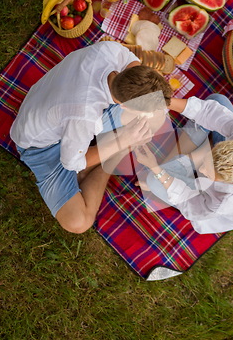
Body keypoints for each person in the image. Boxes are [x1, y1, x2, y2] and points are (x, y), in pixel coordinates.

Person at [10, 41, 172, 234]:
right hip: (39, 146)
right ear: (124, 106)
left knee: (158, 115)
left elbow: (131, 61)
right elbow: (72, 163)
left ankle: (108, 150)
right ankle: (107, 163)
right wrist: (123, 141)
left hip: (52, 108)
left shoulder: (109, 49)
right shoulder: (84, 115)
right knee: (78, 222)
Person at [134, 94, 233, 234]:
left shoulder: (221, 202)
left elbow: (186, 201)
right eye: (207, 161)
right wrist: (163, 101)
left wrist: (155, 168)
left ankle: (195, 156)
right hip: (218, 159)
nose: (202, 170)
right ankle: (197, 154)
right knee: (218, 100)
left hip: (201, 198)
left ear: (223, 180)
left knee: (153, 180)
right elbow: (208, 111)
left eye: (206, 171)